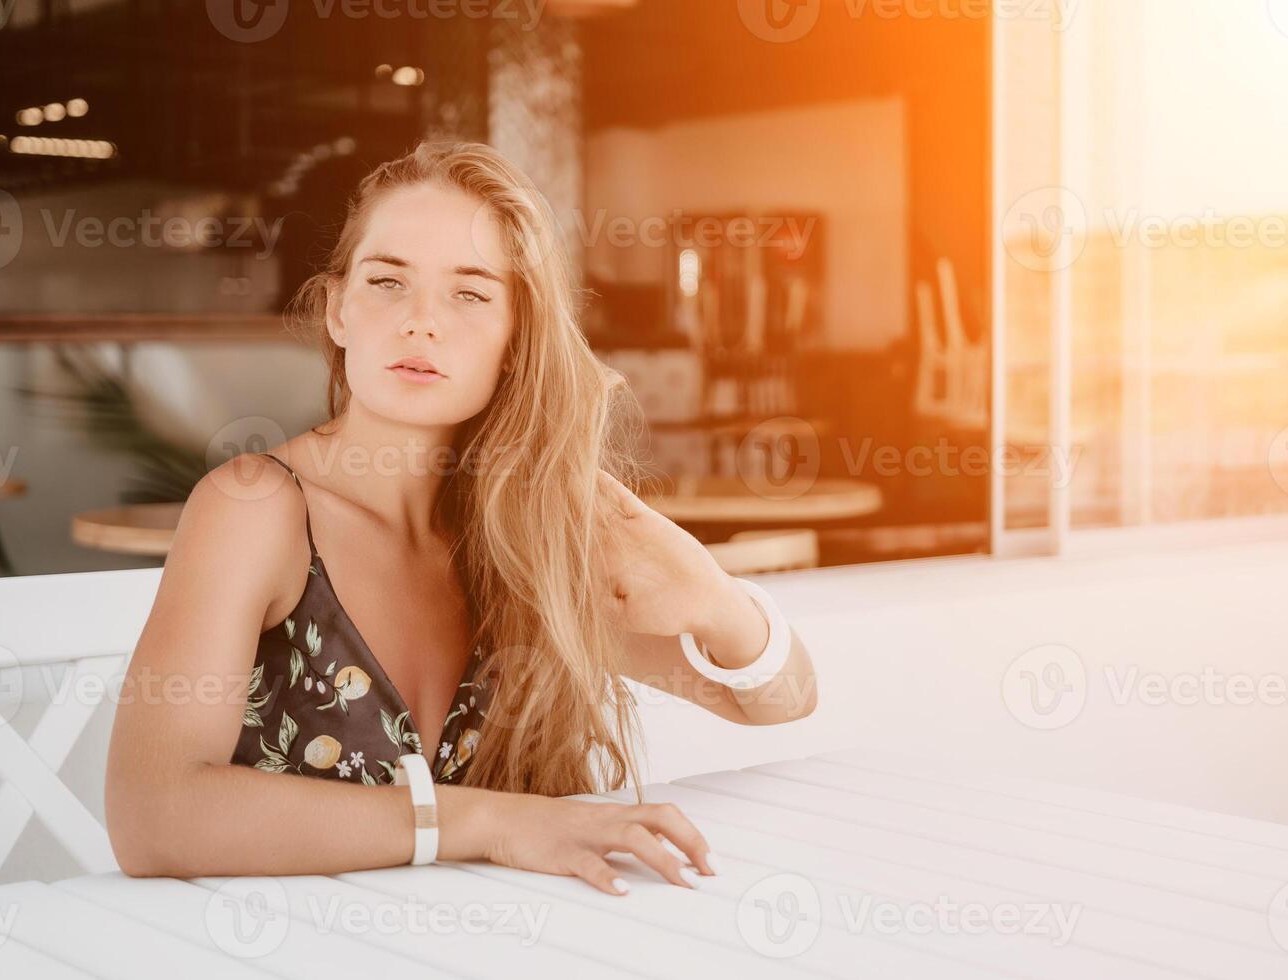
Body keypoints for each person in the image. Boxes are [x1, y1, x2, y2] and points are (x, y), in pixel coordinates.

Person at [104, 139, 817, 897]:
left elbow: (779, 701)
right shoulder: (255, 507)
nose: (420, 323)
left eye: (470, 294)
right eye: (386, 282)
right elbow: (152, 816)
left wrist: (715, 598)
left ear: (517, 341)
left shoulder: (528, 528)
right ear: (337, 311)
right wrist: (491, 823)